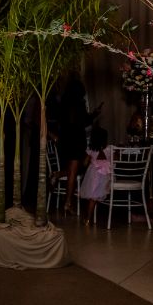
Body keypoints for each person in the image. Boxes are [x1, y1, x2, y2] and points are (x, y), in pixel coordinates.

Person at [57, 74, 101, 212]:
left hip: (64, 140)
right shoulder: (79, 104)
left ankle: (56, 175)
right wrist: (94, 115)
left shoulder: (63, 103)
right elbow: (83, 122)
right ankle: (68, 203)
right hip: (75, 141)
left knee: (75, 170)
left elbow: (67, 122)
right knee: (74, 172)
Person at [79, 126, 111, 226]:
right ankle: (89, 218)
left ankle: (88, 219)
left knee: (92, 197)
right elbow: (114, 161)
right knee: (94, 197)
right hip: (106, 178)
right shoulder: (109, 149)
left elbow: (84, 163)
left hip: (94, 177)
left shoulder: (91, 150)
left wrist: (90, 161)